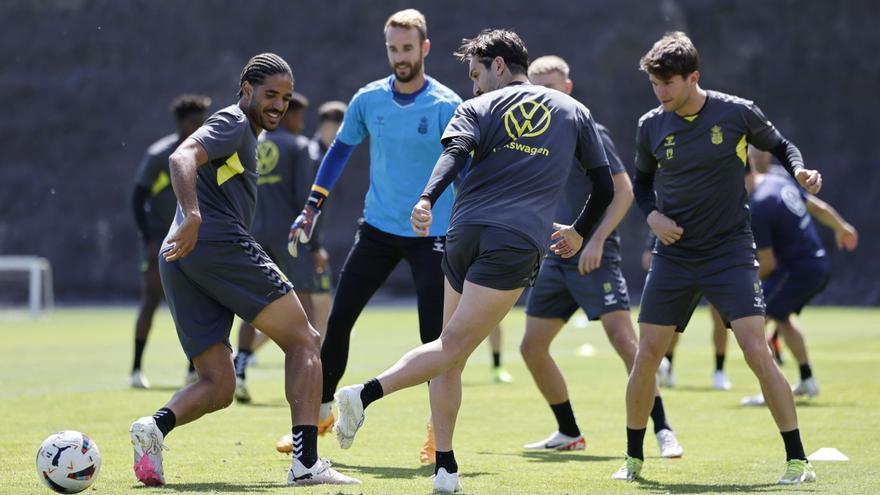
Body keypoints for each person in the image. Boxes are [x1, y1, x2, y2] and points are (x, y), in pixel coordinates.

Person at [332, 29, 614, 493]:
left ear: (499, 66)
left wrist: (426, 199)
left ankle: (446, 468)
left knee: (450, 354)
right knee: (452, 347)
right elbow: (602, 187)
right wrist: (579, 232)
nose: (474, 85)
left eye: (477, 73)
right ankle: (362, 394)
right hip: (514, 241)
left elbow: (453, 155)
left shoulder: (476, 108)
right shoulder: (574, 111)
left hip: (462, 235)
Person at [127, 53, 358, 487]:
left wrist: (191, 223)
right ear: (246, 89)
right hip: (216, 243)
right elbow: (181, 158)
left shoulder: (245, 130)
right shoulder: (233, 121)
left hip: (180, 255)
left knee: (218, 384)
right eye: (270, 94)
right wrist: (193, 215)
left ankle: (153, 428)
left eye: (285, 98)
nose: (278, 105)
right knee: (305, 340)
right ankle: (307, 463)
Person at [614, 32, 822, 484]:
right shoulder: (651, 124)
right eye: (655, 84)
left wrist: (801, 169)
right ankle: (632, 460)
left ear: (694, 77)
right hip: (674, 255)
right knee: (647, 354)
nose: (661, 92)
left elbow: (783, 146)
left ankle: (798, 461)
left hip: (729, 252)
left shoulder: (736, 112)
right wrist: (651, 218)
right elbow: (642, 185)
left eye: (669, 82)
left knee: (756, 351)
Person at [287, 9, 462, 462]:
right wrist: (312, 206)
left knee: (435, 340)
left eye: (407, 48)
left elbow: (463, 168)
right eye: (392, 48)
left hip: (433, 235)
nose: (399, 57)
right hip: (379, 229)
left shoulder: (447, 104)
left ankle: (434, 434)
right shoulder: (368, 100)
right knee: (339, 321)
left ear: (424, 48)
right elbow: (340, 151)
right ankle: (320, 415)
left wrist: (464, 224)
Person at [520, 55, 682, 457]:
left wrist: (592, 240)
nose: (545, 97)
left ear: (568, 89)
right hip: (555, 259)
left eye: (552, 89)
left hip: (594, 256)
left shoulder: (587, 130)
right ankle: (568, 431)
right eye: (537, 91)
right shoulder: (530, 137)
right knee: (531, 347)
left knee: (627, 344)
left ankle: (663, 429)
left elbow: (624, 191)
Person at [231, 92, 334, 404]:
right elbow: (308, 200)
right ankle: (307, 374)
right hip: (291, 239)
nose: (301, 123)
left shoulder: (254, 143)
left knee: (254, 305)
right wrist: (314, 244)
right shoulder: (300, 146)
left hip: (254, 233)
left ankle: (240, 366)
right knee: (303, 305)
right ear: (291, 116)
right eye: (299, 116)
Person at [740, 146, 857, 405]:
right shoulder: (776, 179)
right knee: (782, 318)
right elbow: (817, 207)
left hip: (798, 270)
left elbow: (768, 264)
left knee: (752, 322)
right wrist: (841, 227)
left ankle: (772, 392)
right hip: (816, 265)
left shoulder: (758, 206)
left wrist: (740, 285)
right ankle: (807, 379)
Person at [274, 100, 347, 453]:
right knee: (309, 324)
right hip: (300, 245)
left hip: (297, 242)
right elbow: (305, 204)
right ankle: (313, 414)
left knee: (315, 318)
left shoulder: (311, 148)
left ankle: (315, 410)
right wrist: (314, 243)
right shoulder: (311, 151)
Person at [129, 94, 210, 388]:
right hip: (160, 240)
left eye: (202, 122)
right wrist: (148, 239)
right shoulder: (160, 155)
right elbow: (138, 199)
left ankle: (193, 369)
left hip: (194, 238)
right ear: (180, 124)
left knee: (196, 302)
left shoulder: (206, 152)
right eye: (193, 123)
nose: (199, 127)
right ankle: (136, 370)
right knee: (151, 300)